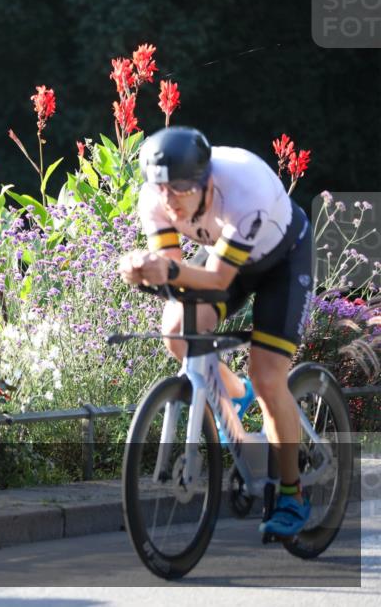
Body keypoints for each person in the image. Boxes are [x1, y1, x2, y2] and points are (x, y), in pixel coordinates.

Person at [118, 126, 315, 537]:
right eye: (162, 190)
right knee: (176, 330)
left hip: (282, 260)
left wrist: (168, 270)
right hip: (228, 259)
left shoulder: (244, 188)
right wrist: (141, 271)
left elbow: (218, 280)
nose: (170, 201)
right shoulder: (155, 199)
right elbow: (180, 278)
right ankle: (234, 393)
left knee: (267, 376)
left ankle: (292, 495)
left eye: (180, 190)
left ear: (206, 183)